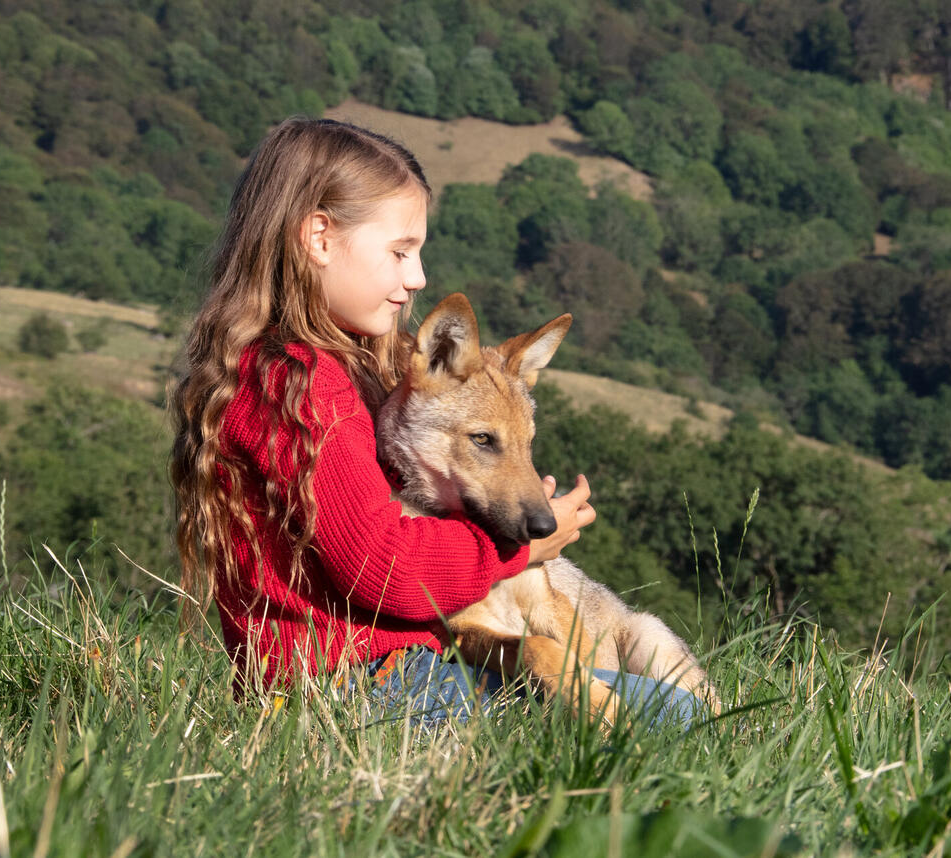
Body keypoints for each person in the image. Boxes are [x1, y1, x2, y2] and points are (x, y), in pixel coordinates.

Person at [169, 117, 703, 726]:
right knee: (675, 715)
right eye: (400, 251)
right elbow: (380, 568)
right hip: (356, 688)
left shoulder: (327, 371)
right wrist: (515, 550)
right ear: (318, 236)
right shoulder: (297, 384)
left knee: (648, 702)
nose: (417, 277)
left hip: (378, 675)